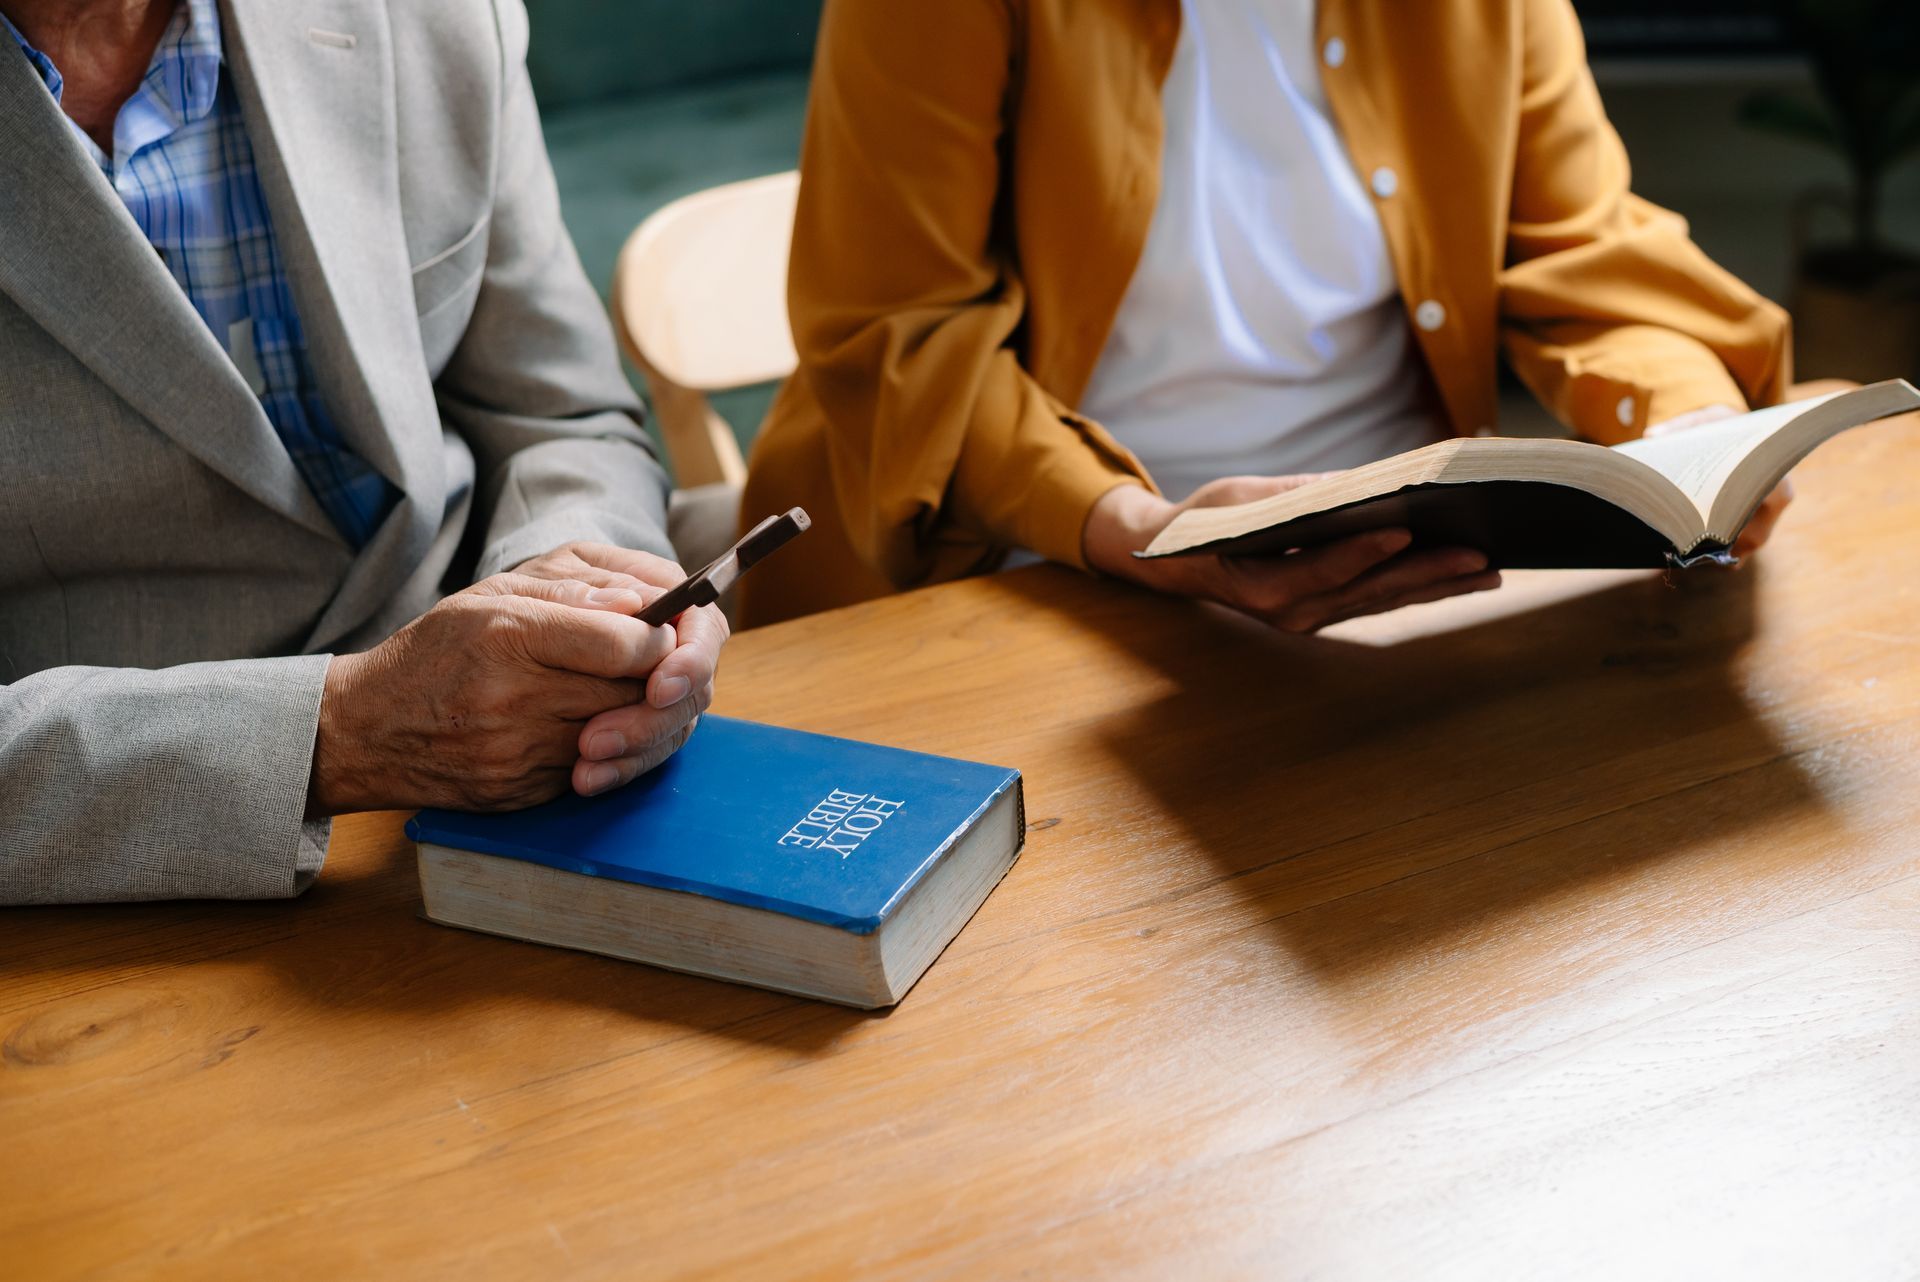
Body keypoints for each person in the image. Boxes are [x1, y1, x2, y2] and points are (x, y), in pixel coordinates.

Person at [736, 0, 1794, 628]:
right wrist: (1136, 531)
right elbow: (898, 329)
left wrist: (1695, 436)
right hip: (1036, 564)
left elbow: (1582, 245)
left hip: (1408, 567)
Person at [0, 0, 728, 904]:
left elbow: (558, 415)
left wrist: (568, 609)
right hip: (123, 895)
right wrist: (340, 730)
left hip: (529, 797)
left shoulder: (435, 18)